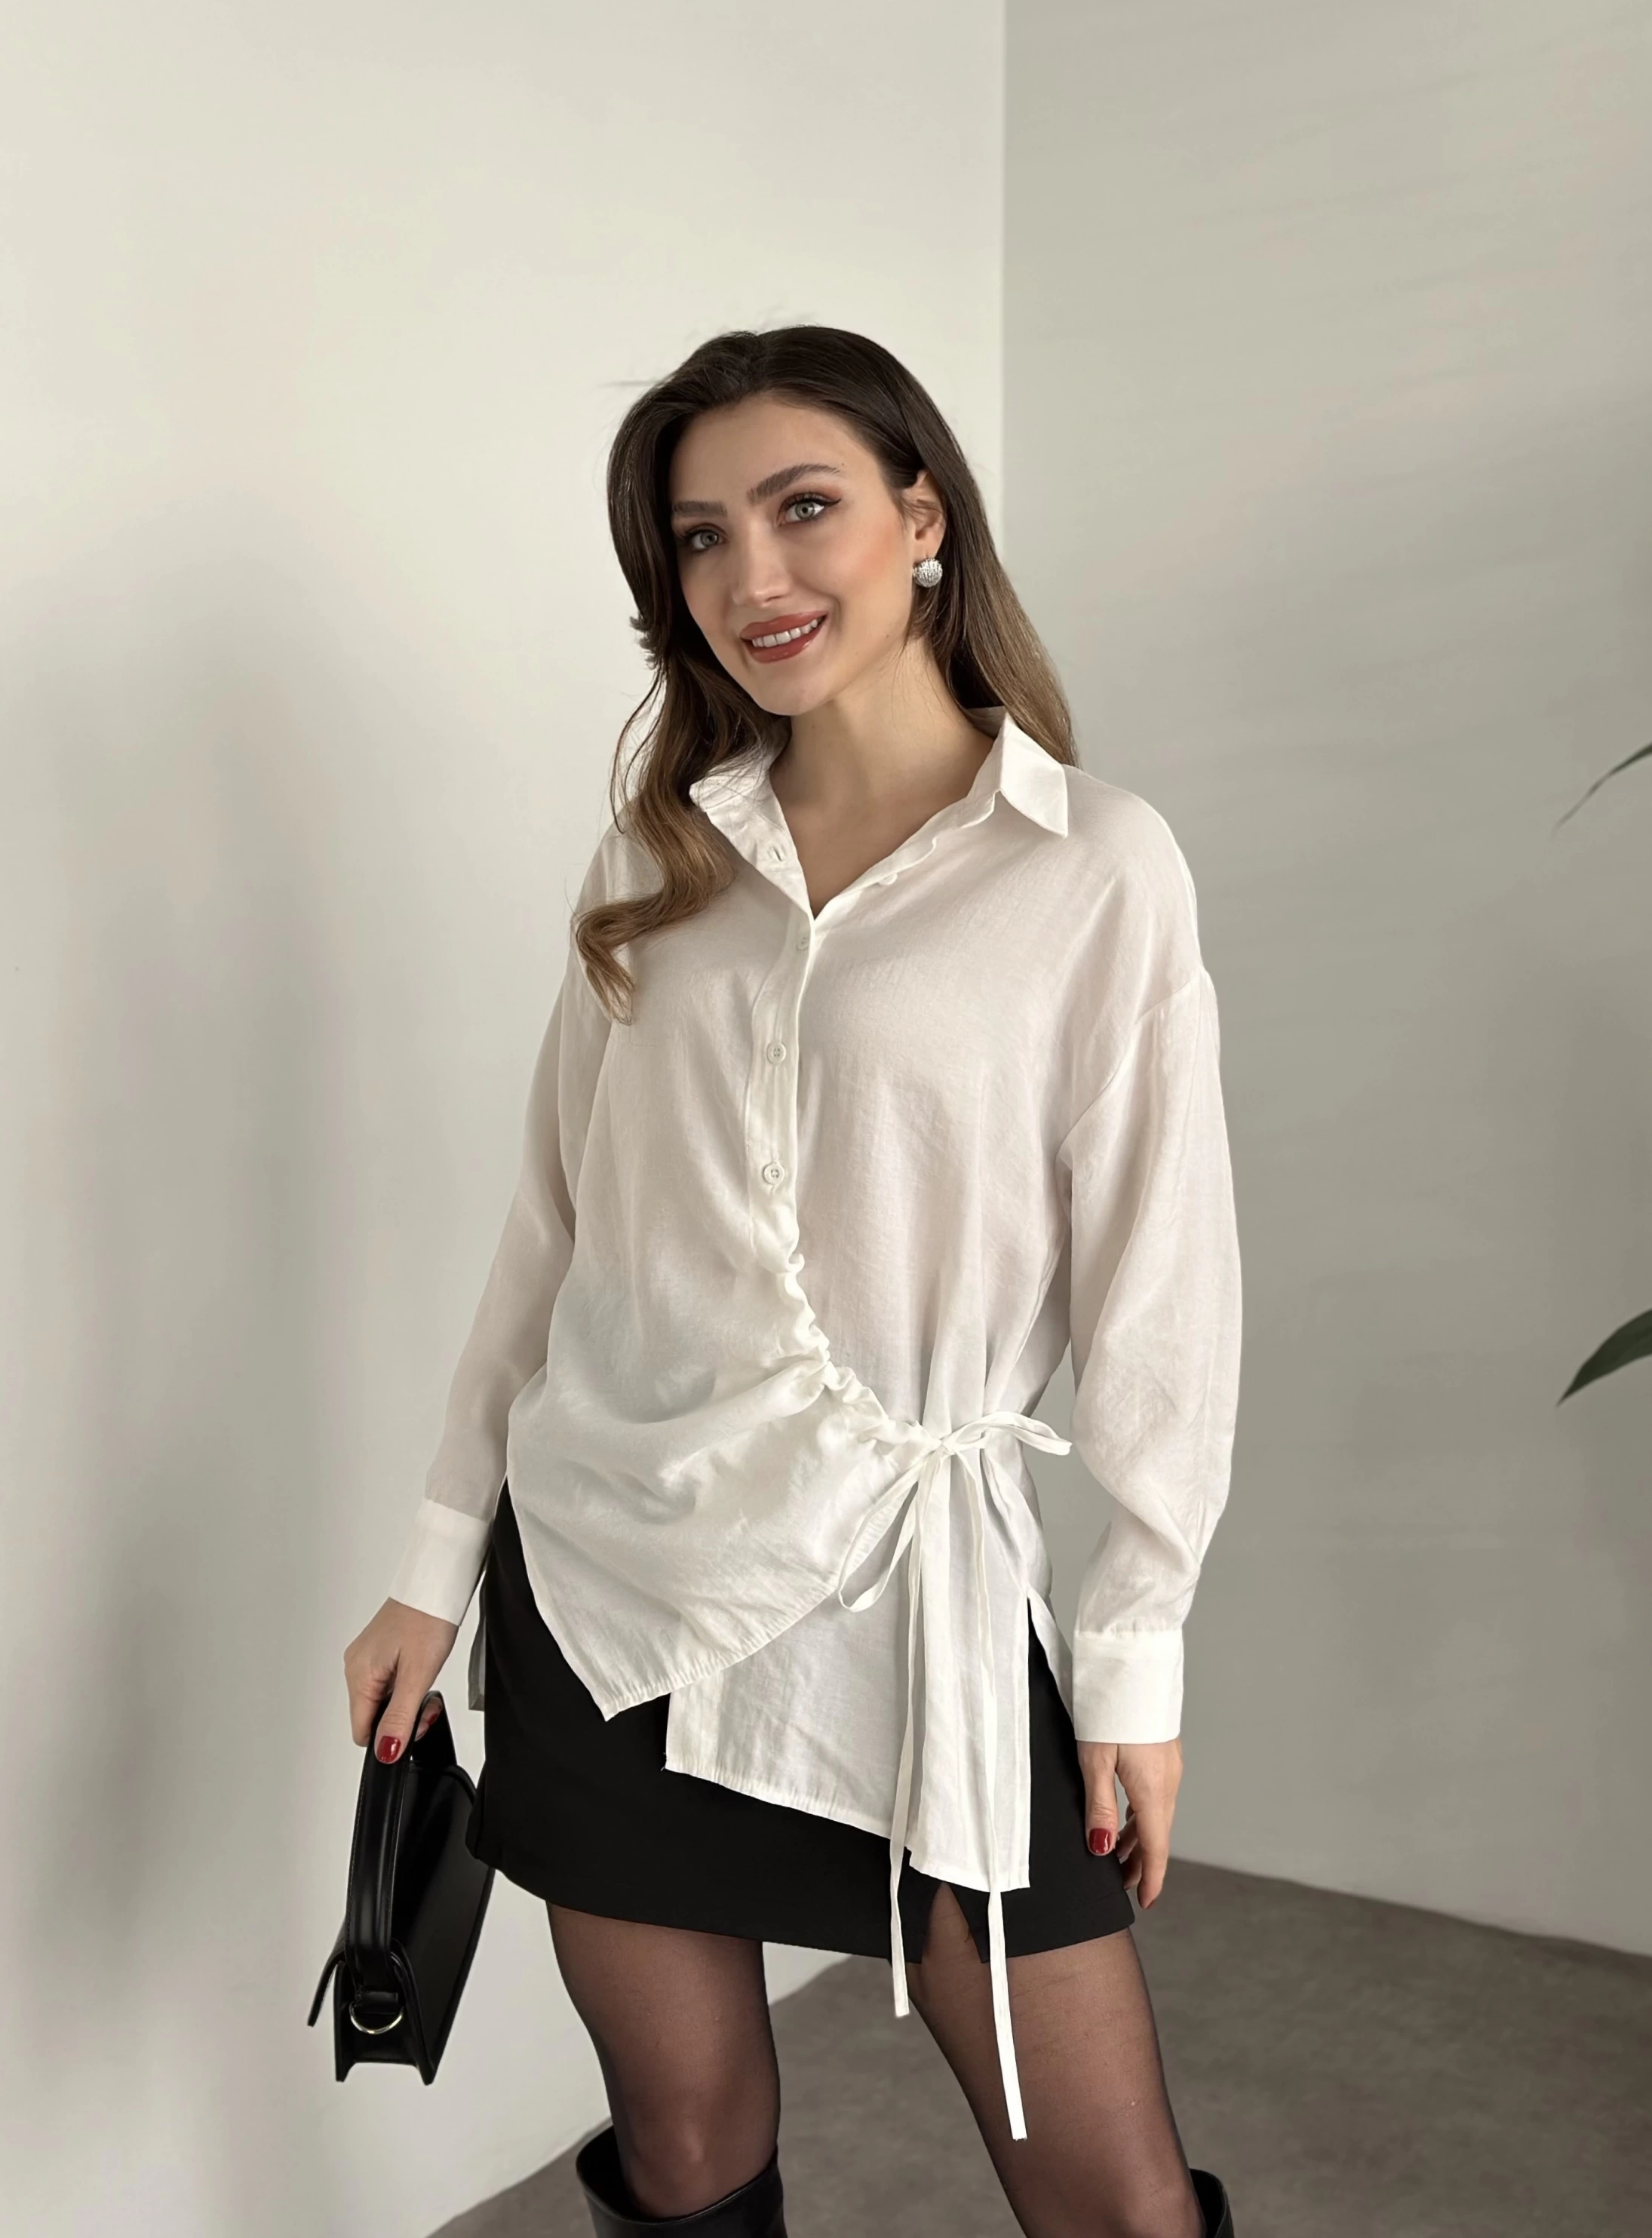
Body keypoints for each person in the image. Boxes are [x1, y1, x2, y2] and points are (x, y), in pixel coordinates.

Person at [342, 325, 1242, 2238]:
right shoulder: (663, 858)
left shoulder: (1096, 869)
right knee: (685, 2150)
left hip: (911, 1599)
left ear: (923, 518)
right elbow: (558, 1230)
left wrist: (1132, 1654)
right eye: (700, 537)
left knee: (1116, 2200)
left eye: (802, 507)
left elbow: (1165, 1288)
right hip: (610, 1585)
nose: (752, 575)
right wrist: (435, 1562)